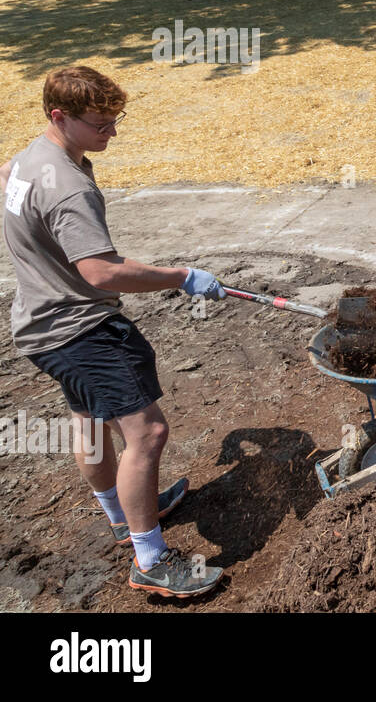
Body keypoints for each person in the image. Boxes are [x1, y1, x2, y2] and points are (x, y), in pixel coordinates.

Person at [0, 67, 226, 598]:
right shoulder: (69, 188)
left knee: (90, 419)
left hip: (40, 324)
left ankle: (123, 519)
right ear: (60, 116)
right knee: (146, 433)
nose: (113, 134)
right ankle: (150, 559)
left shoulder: (28, 159)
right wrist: (182, 277)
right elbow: (100, 271)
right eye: (101, 124)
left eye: (115, 120)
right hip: (79, 328)